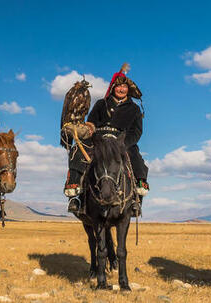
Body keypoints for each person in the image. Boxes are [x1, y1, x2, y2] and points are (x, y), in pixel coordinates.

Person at [64, 64, 149, 214]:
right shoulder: (101, 104)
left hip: (122, 141)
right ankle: (75, 196)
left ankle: (136, 200)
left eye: (124, 87)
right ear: (113, 88)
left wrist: (123, 144)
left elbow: (137, 131)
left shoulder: (134, 109)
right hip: (99, 139)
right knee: (77, 151)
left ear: (128, 90)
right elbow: (91, 122)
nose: (121, 89)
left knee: (137, 159)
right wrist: (84, 130)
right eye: (118, 87)